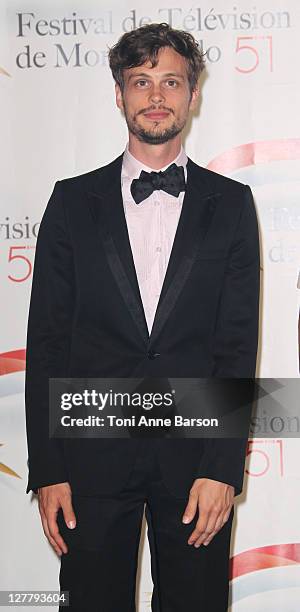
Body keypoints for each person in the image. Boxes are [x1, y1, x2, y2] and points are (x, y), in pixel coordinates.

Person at [25, 22, 260, 612]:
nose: (156, 96)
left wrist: (223, 468)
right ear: (119, 94)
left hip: (195, 463)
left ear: (193, 95)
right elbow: (47, 341)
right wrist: (49, 468)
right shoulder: (72, 201)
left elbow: (236, 346)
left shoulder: (231, 205)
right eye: (141, 81)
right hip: (90, 459)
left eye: (171, 82)